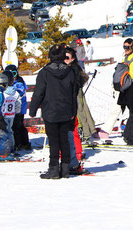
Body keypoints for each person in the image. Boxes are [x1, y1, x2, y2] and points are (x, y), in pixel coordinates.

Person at [30, 44, 79, 179]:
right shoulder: (70, 72)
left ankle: (53, 169)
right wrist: (74, 111)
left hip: (50, 111)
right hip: (66, 110)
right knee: (64, 140)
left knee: (54, 141)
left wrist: (33, 109)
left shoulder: (44, 72)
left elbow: (38, 93)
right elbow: (74, 93)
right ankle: (65, 169)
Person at [64, 46, 90, 174]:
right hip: (65, 103)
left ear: (73, 58)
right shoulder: (63, 69)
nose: (65, 60)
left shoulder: (74, 69)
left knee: (73, 128)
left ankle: (77, 153)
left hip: (74, 102)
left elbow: (81, 80)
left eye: (67, 57)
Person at [104, 38, 133, 138]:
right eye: (124, 47)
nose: (125, 49)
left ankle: (132, 131)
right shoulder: (122, 57)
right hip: (120, 88)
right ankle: (106, 131)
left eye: (128, 47)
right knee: (115, 109)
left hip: (130, 87)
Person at [5, 65, 30, 151]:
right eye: (10, 74)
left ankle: (19, 143)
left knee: (17, 127)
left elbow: (17, 90)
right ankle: (23, 142)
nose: (13, 76)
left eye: (14, 73)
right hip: (13, 108)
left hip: (19, 109)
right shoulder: (12, 83)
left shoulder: (19, 83)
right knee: (18, 126)